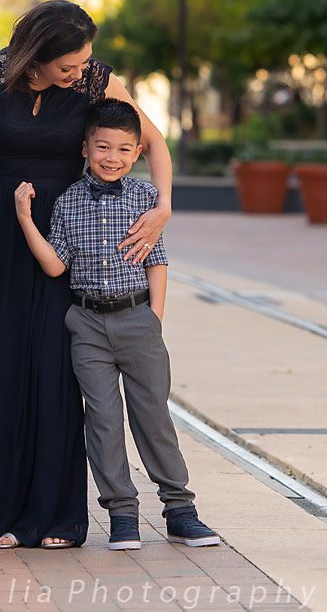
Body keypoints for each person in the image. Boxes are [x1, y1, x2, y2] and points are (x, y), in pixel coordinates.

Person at [0, 0, 172, 550]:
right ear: (36, 54)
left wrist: (161, 209)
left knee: (54, 372)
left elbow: (152, 142)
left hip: (66, 242)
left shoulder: (93, 83)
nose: (79, 72)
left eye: (84, 63)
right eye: (69, 64)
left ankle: (52, 516)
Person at [13, 99, 219, 552]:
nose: (112, 157)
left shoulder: (148, 200)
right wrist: (27, 220)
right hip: (86, 326)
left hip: (138, 321)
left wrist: (154, 321)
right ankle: (122, 513)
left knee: (154, 418)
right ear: (85, 147)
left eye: (125, 150)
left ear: (137, 154)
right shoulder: (66, 202)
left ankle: (180, 509)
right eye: (103, 146)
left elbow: (157, 263)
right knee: (103, 422)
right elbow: (54, 267)